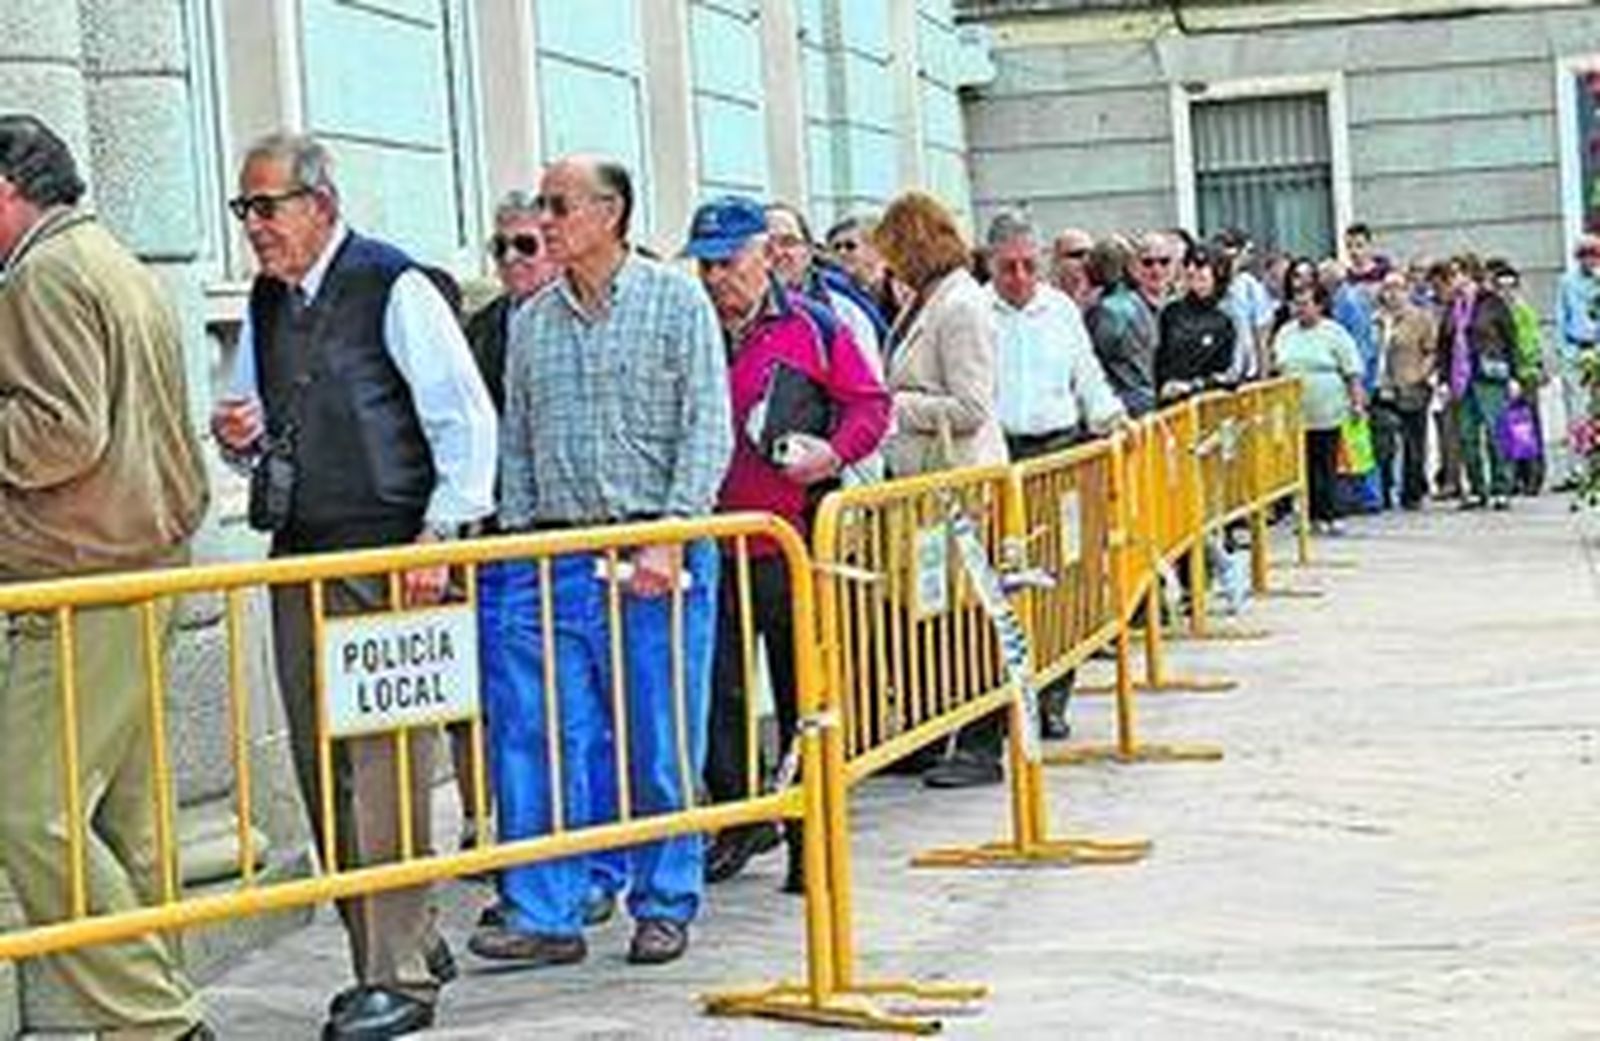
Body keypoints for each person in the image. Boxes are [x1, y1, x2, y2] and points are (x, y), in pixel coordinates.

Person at [210, 131, 497, 1040]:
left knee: (387, 770)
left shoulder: (393, 282)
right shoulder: (266, 299)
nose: (255, 227)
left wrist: (440, 533)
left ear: (320, 203)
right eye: (245, 209)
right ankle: (386, 939)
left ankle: (400, 971)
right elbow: (257, 422)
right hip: (303, 549)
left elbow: (463, 416)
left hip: (389, 556)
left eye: (268, 206)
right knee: (320, 767)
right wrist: (239, 433)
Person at [474, 155, 732, 970]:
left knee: (659, 735)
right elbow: (516, 446)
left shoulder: (676, 299)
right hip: (553, 552)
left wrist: (671, 531)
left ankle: (663, 899)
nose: (543, 220)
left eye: (558, 205)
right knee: (541, 737)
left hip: (656, 553)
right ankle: (546, 908)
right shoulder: (532, 320)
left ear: (611, 212)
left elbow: (708, 426)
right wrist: (516, 549)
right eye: (540, 205)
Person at [0, 114, 211, 1041]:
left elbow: (60, 432)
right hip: (139, 565)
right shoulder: (111, 259)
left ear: (8, 189)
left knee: (30, 814)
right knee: (128, 823)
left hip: (83, 575)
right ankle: (154, 1013)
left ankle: (155, 1020)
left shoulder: (43, 274)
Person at [690, 195, 890, 888]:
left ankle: (813, 840)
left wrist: (830, 454)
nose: (717, 279)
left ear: (764, 257)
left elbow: (872, 405)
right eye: (705, 266)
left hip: (794, 542)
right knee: (717, 698)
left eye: (728, 263)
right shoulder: (689, 330)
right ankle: (741, 820)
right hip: (711, 546)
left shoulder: (816, 326)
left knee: (803, 694)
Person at [871, 191, 1008, 789]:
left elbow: (973, 405)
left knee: (970, 612)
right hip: (922, 484)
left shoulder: (960, 307)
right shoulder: (924, 302)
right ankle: (931, 727)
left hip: (960, 482)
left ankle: (981, 741)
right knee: (924, 608)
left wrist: (895, 407)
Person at [987, 211, 1125, 746]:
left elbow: (1086, 375)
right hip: (1002, 459)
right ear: (991, 264)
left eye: (1027, 266)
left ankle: (1054, 699)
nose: (1019, 278)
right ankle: (1007, 699)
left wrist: (1111, 419)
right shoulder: (977, 309)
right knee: (1005, 584)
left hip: (1060, 452)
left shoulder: (1061, 310)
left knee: (1060, 582)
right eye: (1007, 269)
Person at [1271, 276, 1366, 535]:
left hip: (1327, 411)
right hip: (1295, 412)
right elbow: (1275, 365)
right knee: (1304, 466)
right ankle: (1310, 516)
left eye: (1305, 304)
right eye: (1296, 304)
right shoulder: (1286, 332)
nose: (1299, 309)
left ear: (1319, 306)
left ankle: (1331, 514)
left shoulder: (1334, 333)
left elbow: (1352, 371)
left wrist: (1357, 402)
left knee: (1326, 464)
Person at [1436, 254, 1519, 511]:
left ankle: (1501, 487)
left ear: (1470, 274)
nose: (1453, 280)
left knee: (1496, 433)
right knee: (1467, 435)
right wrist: (1443, 379)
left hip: (1489, 375)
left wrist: (1514, 375)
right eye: (1451, 275)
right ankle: (1477, 488)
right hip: (1461, 378)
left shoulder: (1492, 302)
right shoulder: (1452, 307)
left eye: (1457, 274)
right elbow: (1444, 345)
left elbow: (1510, 340)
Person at [1372, 270, 1437, 510]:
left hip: (1410, 385)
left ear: (1407, 290)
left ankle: (1413, 492)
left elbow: (1431, 350)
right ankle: (1385, 490)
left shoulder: (1420, 318)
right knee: (1383, 442)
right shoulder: (1376, 318)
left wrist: (1421, 375)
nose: (1392, 294)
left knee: (1413, 442)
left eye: (1397, 288)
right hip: (1381, 386)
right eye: (1387, 288)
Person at [1487, 259, 1547, 495]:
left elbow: (1531, 343)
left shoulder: (1524, 312)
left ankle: (1533, 478)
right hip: (1503, 375)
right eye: (1501, 287)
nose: (1506, 291)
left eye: (1511, 286)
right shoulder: (1493, 312)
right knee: (1509, 428)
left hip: (1524, 374)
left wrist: (1535, 368)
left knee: (1528, 427)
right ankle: (1513, 478)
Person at [1086, 231, 1163, 416]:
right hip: (1147, 397)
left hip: (1123, 401)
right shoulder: (1139, 301)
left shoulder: (1107, 310)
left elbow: (1093, 355)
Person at [1156, 240, 1238, 400]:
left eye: (1200, 264)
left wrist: (1194, 386)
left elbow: (1227, 375)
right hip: (1170, 406)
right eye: (1188, 263)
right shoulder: (1171, 312)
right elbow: (1158, 359)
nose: (1192, 270)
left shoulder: (1225, 320)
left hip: (1206, 406)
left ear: (1217, 271)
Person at [1555, 234, 1600, 490]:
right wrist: (1563, 353)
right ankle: (1577, 470)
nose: (1589, 259)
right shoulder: (1567, 282)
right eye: (1584, 254)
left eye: (1593, 253)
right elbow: (1562, 318)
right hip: (1576, 349)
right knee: (1577, 414)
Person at [1214, 227, 1274, 380]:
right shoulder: (1210, 287)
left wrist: (1263, 377)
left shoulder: (1249, 286)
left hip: (1246, 374)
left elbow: (1262, 336)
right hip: (1217, 374)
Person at [826, 213, 906, 328]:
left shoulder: (901, 287)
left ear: (875, 248)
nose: (841, 252)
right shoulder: (833, 291)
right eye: (836, 247)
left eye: (850, 246)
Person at [1050, 226, 1098, 311]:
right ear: (1057, 259)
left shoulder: (1101, 300)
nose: (1086, 260)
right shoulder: (1046, 299)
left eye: (1091, 255)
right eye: (1077, 254)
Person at [1344, 222, 1391, 287]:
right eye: (1349, 246)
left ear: (1369, 245)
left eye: (1359, 246)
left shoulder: (1382, 271)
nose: (1353, 251)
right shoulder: (1347, 277)